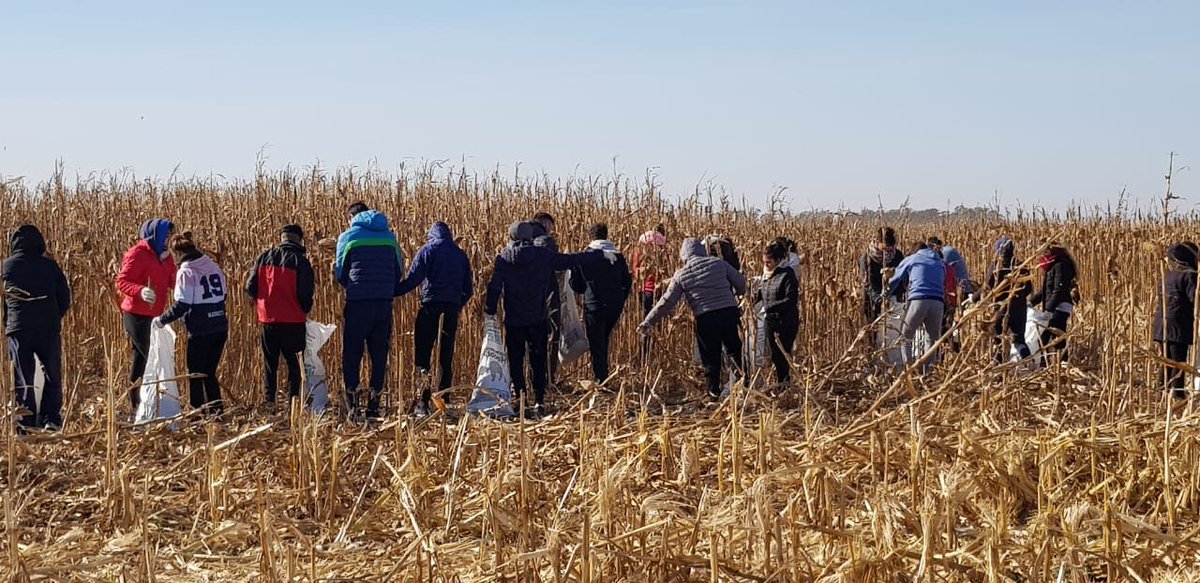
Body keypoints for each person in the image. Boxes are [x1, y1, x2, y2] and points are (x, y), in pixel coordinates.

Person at [485, 221, 594, 417]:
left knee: (516, 360)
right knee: (538, 360)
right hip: (538, 317)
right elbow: (567, 261)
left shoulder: (504, 258)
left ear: (511, 237)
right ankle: (540, 401)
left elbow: (495, 286)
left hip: (514, 319)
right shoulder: (542, 255)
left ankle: (521, 399)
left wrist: (490, 308)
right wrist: (592, 255)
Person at [638, 238, 747, 400]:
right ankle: (745, 386)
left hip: (705, 317)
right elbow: (740, 282)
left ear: (684, 256)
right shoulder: (718, 263)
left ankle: (713, 393)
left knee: (710, 356)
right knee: (734, 350)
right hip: (729, 312)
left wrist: (648, 321)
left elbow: (666, 302)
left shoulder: (682, 274)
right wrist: (738, 293)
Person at [334, 203, 405, 420]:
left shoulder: (347, 237)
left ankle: (353, 405)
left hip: (358, 302)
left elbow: (340, 272)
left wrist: (355, 285)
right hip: (383, 303)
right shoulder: (390, 237)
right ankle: (374, 405)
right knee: (379, 355)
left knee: (352, 354)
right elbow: (399, 271)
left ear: (352, 216)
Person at [395, 221, 473, 416]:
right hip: (451, 308)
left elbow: (414, 279)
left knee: (423, 353)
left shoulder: (427, 250)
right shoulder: (460, 254)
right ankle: (444, 399)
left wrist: (393, 291)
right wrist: (457, 304)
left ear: (431, 235)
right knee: (445, 354)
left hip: (430, 307)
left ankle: (423, 400)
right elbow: (469, 290)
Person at [2, 225, 71, 430]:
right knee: (52, 372)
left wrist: (9, 321)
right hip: (47, 327)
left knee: (23, 374)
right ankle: (51, 418)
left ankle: (25, 420)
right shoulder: (50, 267)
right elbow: (64, 297)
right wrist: (53, 316)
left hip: (18, 328)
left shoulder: (5, 267)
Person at [155, 233, 228, 415]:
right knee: (210, 371)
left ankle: (197, 414)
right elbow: (224, 295)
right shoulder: (213, 266)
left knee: (195, 373)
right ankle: (217, 411)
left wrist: (161, 320)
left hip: (200, 328)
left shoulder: (186, 271)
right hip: (220, 326)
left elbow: (182, 304)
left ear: (177, 253)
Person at [245, 224, 315, 406]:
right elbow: (305, 294)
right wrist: (304, 310)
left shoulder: (264, 257)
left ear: (282, 238)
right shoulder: (301, 261)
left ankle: (270, 403)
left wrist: (263, 302)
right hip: (293, 321)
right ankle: (294, 403)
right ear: (299, 239)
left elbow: (250, 287)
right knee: (294, 364)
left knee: (270, 364)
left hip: (268, 320)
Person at [115, 218, 176, 414]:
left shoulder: (166, 257)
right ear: (154, 235)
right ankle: (138, 401)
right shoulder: (138, 253)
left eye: (169, 236)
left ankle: (146, 401)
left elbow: (173, 282)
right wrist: (139, 290)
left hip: (156, 315)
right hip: (136, 314)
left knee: (142, 358)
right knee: (147, 354)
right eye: (164, 235)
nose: (167, 239)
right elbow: (122, 281)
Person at [568, 223, 632, 384]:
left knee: (596, 342)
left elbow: (579, 286)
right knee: (604, 339)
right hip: (614, 306)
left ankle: (601, 378)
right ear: (606, 235)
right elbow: (627, 282)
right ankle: (603, 375)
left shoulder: (586, 256)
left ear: (591, 237)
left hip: (594, 305)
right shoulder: (618, 256)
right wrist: (620, 299)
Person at [886, 241, 946, 370]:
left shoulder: (912, 259)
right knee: (931, 339)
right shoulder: (940, 262)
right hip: (938, 302)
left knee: (905, 336)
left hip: (918, 300)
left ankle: (908, 371)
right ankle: (928, 373)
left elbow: (896, 279)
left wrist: (885, 295)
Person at [1153, 243, 1197, 398]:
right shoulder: (1189, 275)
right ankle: (1178, 396)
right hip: (1178, 326)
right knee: (1178, 362)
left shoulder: (1167, 275)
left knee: (1166, 360)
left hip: (1161, 324)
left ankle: (1161, 392)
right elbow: (1195, 299)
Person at [754, 240, 800, 384]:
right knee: (774, 355)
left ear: (778, 260)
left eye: (768, 262)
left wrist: (768, 307)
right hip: (770, 321)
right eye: (764, 262)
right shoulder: (767, 276)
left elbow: (790, 300)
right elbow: (762, 294)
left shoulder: (787, 275)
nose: (765, 265)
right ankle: (780, 384)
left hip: (786, 322)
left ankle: (784, 385)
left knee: (782, 356)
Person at [528, 212, 563, 388]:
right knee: (551, 334)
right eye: (551, 227)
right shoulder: (546, 241)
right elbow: (557, 265)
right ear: (545, 224)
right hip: (547, 295)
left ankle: (528, 378)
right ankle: (547, 378)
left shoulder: (521, 238)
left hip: (525, 298)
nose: (551, 231)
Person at [985, 236, 1033, 363]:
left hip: (999, 309)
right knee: (1019, 341)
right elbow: (1028, 289)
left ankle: (997, 371)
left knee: (998, 342)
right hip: (1019, 309)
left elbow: (988, 287)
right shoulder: (1022, 266)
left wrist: (974, 299)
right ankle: (1030, 364)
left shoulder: (996, 267)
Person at [1029, 244, 1078, 365]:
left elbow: (1058, 290)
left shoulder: (1060, 265)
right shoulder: (1053, 265)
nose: (1044, 254)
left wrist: (1049, 310)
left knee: (1047, 336)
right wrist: (1030, 302)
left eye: (1046, 251)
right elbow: (1044, 291)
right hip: (1055, 306)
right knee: (1057, 337)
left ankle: (1046, 364)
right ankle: (1061, 363)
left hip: (1060, 307)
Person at [632, 225, 668, 359]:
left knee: (644, 323)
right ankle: (653, 356)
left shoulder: (641, 246)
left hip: (642, 290)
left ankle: (643, 356)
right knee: (655, 324)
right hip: (657, 291)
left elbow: (636, 269)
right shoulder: (661, 245)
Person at [860, 227, 904, 326]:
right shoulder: (867, 259)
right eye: (884, 248)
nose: (888, 251)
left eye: (890, 247)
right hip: (872, 301)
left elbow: (902, 278)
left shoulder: (897, 256)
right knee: (873, 328)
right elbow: (868, 283)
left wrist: (894, 296)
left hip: (893, 300)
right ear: (877, 242)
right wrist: (880, 300)